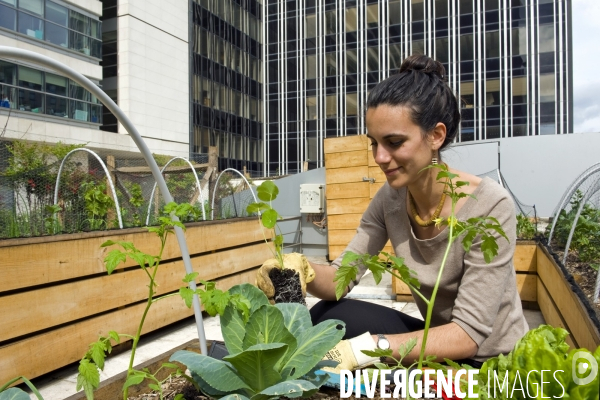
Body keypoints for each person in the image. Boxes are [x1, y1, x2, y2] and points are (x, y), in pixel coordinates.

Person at [257, 54, 527, 370]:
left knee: (359, 346)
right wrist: (304, 269)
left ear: (436, 136)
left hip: (488, 360)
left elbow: (468, 335)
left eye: (394, 142)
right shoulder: (391, 198)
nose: (380, 157)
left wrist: (366, 349)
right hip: (435, 340)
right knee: (327, 317)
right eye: (374, 143)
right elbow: (340, 281)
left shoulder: (491, 207)